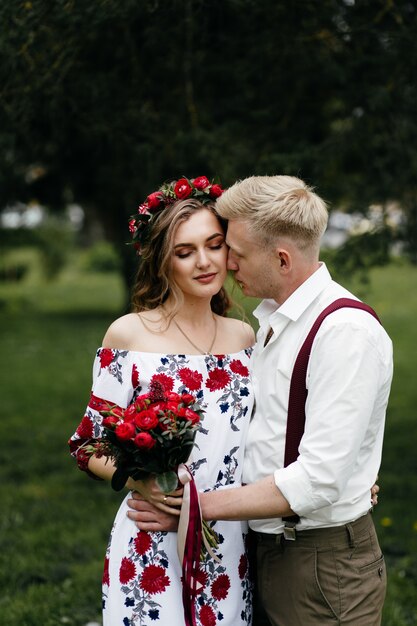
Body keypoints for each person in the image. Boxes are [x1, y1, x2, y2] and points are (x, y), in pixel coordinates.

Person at [129, 175, 392, 626]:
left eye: (237, 253)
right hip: (260, 551)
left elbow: (318, 481)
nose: (227, 264)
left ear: (282, 258)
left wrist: (194, 508)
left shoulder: (344, 333)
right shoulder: (271, 322)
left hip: (319, 567)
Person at [68, 176, 256, 626]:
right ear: (161, 262)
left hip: (229, 542)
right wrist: (144, 483)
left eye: (214, 245)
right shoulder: (130, 335)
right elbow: (88, 444)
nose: (205, 262)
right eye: (184, 252)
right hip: (152, 542)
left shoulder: (245, 338)